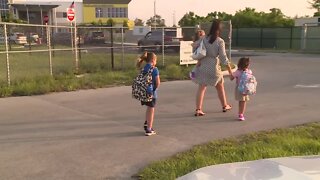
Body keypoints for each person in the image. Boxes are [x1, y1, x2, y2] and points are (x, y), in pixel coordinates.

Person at [192, 20, 233, 116]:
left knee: (201, 88)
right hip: (214, 67)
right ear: (219, 29)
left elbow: (194, 47)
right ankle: (224, 105)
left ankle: (198, 109)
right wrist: (230, 71)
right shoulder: (220, 41)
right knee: (220, 86)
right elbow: (223, 58)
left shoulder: (203, 39)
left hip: (203, 65)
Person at [136, 52, 160, 136]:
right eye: (156, 60)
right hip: (151, 93)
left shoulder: (143, 69)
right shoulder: (154, 69)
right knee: (151, 109)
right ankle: (149, 129)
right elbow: (157, 83)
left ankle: (147, 124)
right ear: (153, 60)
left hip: (143, 92)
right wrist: (153, 89)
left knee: (149, 108)